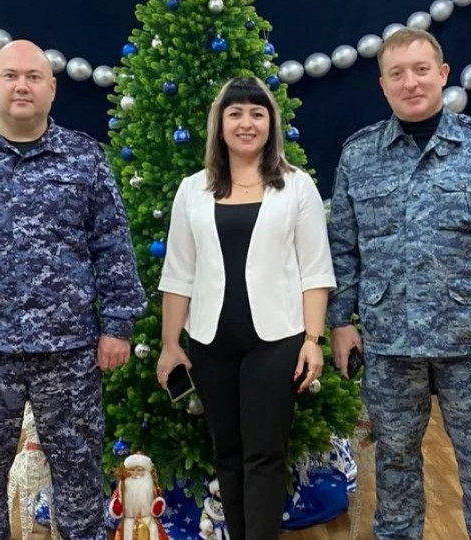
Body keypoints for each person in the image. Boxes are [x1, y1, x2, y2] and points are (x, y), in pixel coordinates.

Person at [0, 40, 147, 539]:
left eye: (34, 77)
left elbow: (112, 246)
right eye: (11, 76)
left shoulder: (84, 158)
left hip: (70, 351)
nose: (22, 86)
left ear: (51, 88)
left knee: (80, 476)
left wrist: (118, 325)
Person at [328, 29, 471, 540]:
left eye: (421, 70)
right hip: (388, 341)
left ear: (442, 74)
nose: (411, 83)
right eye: (397, 74)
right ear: (383, 85)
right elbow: (342, 247)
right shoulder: (359, 154)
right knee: (394, 461)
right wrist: (340, 322)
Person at [156, 76, 336, 540]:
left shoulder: (297, 187)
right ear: (220, 124)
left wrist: (312, 340)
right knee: (228, 455)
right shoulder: (192, 190)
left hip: (276, 341)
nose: (246, 123)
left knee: (265, 455)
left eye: (257, 113)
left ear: (271, 123)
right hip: (209, 341)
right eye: (235, 113)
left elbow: (315, 270)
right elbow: (178, 273)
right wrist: (170, 344)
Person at [109, 453, 169, 540]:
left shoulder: (151, 485)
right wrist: (117, 507)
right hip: (128, 523)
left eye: (139, 470)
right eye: (132, 470)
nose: (135, 473)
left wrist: (156, 507)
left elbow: (157, 496)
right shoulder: (123, 485)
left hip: (148, 521)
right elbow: (117, 503)